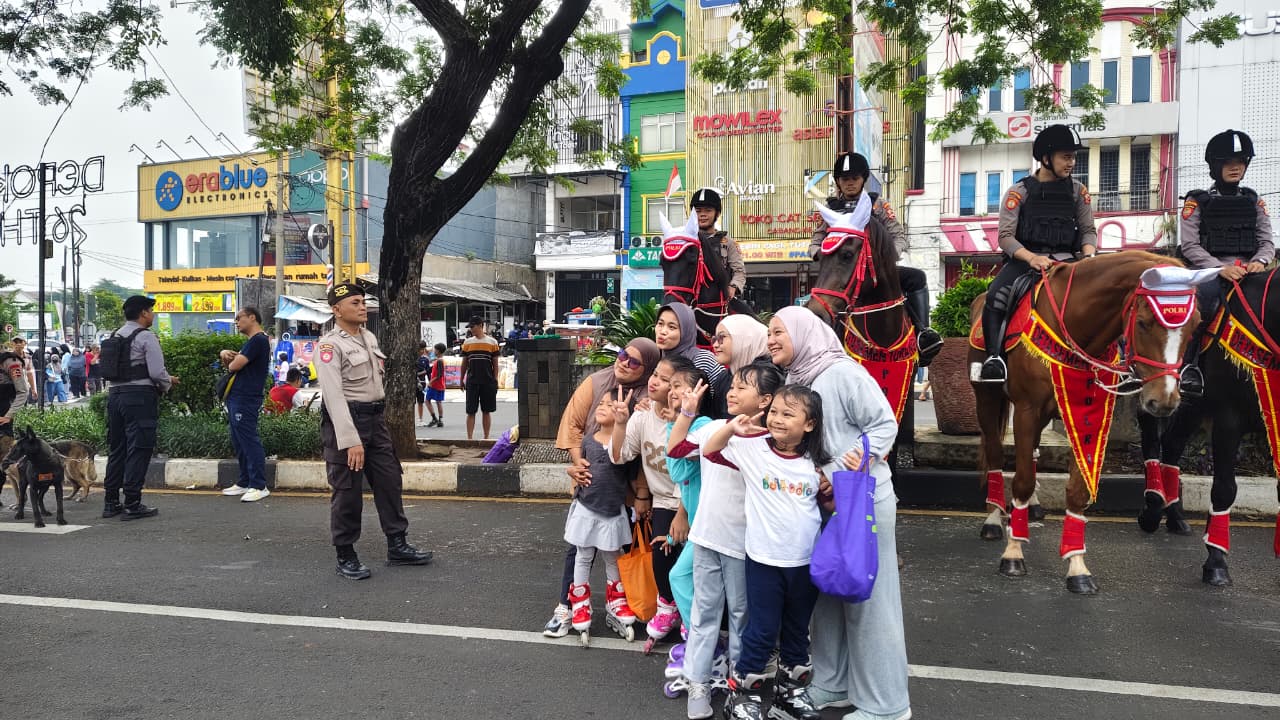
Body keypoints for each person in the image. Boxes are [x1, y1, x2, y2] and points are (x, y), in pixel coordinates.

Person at [768, 305, 909, 720]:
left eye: (778, 331)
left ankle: (887, 705)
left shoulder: (842, 373)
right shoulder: (797, 380)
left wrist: (843, 466)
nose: (771, 340)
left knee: (870, 604)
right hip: (823, 502)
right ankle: (832, 684)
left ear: (804, 333)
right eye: (769, 333)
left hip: (861, 500)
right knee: (828, 597)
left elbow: (884, 424)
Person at [703, 384, 833, 720]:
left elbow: (830, 506)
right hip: (764, 562)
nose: (776, 419)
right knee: (761, 630)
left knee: (797, 630)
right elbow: (710, 450)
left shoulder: (816, 463)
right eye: (773, 411)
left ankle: (789, 695)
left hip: (805, 563)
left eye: (788, 414)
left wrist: (831, 489)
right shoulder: (753, 449)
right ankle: (742, 696)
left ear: (810, 424)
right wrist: (732, 428)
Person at [667, 361, 781, 719]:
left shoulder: (771, 443)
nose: (732, 392)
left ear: (765, 400)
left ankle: (739, 684)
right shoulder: (714, 427)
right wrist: (687, 413)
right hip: (706, 538)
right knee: (704, 614)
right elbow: (675, 449)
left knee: (741, 616)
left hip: (743, 545)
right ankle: (698, 682)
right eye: (732, 386)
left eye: (742, 387)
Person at [544, 337, 660, 637]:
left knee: (618, 550)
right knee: (578, 549)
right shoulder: (596, 382)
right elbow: (572, 424)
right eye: (622, 355)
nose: (624, 363)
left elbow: (647, 449)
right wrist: (579, 462)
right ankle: (567, 605)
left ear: (647, 368)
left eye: (634, 361)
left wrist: (642, 493)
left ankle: (622, 601)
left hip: (626, 488)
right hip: (590, 484)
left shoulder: (649, 393)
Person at [316, 283, 433, 580]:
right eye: (354, 303)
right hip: (347, 422)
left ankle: (398, 545)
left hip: (375, 420)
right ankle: (345, 554)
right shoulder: (330, 346)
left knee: (390, 480)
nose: (362, 306)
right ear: (336, 309)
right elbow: (333, 396)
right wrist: (350, 440)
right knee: (347, 492)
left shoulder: (368, 337)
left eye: (362, 301)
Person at [977, 124, 1097, 383]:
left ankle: (1117, 359)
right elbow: (1005, 237)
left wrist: (1089, 259)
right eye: (1066, 157)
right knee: (996, 295)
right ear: (1046, 158)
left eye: (1074, 157)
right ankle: (994, 359)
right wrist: (1032, 258)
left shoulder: (1079, 192)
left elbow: (1088, 231)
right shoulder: (1018, 192)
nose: (1072, 162)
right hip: (1026, 262)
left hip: (1069, 261)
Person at [811, 152, 943, 366]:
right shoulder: (831, 210)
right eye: (845, 179)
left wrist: (887, 260)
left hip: (877, 270)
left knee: (916, 277)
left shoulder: (878, 205)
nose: (850, 183)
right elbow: (816, 242)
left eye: (854, 178)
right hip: (846, 272)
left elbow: (898, 236)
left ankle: (923, 333)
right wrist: (820, 254)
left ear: (863, 179)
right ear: (838, 182)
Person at [1178, 128, 1274, 399]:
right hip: (1211, 274)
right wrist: (1220, 268)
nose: (1235, 168)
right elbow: (1190, 246)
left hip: (1249, 272)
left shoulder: (1254, 201)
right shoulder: (1197, 201)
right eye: (1228, 162)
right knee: (1201, 307)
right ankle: (1190, 366)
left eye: (1240, 162)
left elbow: (1267, 242)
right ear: (1215, 165)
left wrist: (1260, 261)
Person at [609, 356, 683, 645]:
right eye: (655, 375)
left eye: (665, 380)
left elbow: (694, 474)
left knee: (687, 564)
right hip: (663, 500)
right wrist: (620, 423)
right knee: (660, 560)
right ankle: (668, 610)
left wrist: (684, 514)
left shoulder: (689, 419)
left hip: (691, 501)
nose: (654, 382)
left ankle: (691, 618)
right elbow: (619, 456)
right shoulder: (641, 417)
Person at [561, 389, 640, 642]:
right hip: (587, 507)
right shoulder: (588, 441)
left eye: (610, 404)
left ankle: (615, 600)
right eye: (602, 403)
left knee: (612, 556)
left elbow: (630, 475)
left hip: (613, 510)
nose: (603, 407)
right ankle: (580, 601)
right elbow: (580, 470)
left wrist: (641, 499)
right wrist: (573, 471)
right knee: (583, 555)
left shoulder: (626, 445)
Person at [103, 295, 178, 521]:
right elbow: (156, 372)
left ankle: (111, 503)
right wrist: (168, 383)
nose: (152, 315)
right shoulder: (146, 337)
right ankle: (132, 503)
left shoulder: (115, 335)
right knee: (139, 448)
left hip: (114, 396)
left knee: (117, 449)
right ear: (144, 313)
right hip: (139, 398)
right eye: (151, 311)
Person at [218, 307, 272, 502]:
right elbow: (234, 365)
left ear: (252, 317)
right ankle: (245, 481)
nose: (236, 322)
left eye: (239, 318)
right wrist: (226, 355)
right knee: (239, 440)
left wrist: (225, 355)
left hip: (246, 397)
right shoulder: (252, 342)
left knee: (248, 440)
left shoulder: (258, 340)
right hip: (238, 397)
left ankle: (259, 485)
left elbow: (234, 366)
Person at [656, 302, 730, 418]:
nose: (663, 331)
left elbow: (723, 397)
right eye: (660, 324)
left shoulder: (703, 360)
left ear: (686, 331)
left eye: (672, 327)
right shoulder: (660, 359)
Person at [689, 187, 746, 302]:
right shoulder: (686, 241)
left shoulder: (728, 243)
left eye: (708, 210)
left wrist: (733, 286)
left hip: (721, 299)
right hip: (690, 298)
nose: (702, 214)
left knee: (746, 312)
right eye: (698, 211)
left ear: (717, 213)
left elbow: (739, 271)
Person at [460, 316, 501, 440]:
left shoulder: (492, 342)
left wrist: (495, 379)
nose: (471, 329)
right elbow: (464, 363)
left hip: (488, 381)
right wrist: (461, 379)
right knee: (470, 411)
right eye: (470, 327)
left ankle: (486, 437)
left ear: (480, 326)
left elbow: (495, 363)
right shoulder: (467, 343)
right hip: (472, 381)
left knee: (486, 411)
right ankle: (469, 438)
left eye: (472, 327)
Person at [0, 341, 31, 437]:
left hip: (3, 412)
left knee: (5, 442)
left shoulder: (10, 362)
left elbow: (23, 391)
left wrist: (8, 415)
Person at [425, 342, 447, 427]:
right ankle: (440, 420)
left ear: (438, 351)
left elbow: (439, 375)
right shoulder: (439, 360)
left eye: (435, 349)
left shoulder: (439, 361)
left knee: (427, 401)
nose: (434, 351)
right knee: (438, 402)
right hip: (440, 385)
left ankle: (434, 418)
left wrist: (430, 382)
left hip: (435, 385)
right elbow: (430, 370)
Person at [11, 337, 36, 403]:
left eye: (20, 342)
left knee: (23, 406)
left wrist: (33, 389)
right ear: (12, 344)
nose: (18, 344)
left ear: (25, 344)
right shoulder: (8, 356)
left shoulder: (28, 357)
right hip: (11, 387)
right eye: (16, 342)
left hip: (24, 387)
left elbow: (29, 373)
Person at [415, 341, 431, 425]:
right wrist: (422, 373)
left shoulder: (425, 359)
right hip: (413, 383)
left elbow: (428, 372)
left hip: (422, 383)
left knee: (420, 402)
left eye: (423, 349)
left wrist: (430, 382)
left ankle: (420, 420)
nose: (421, 351)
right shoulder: (412, 359)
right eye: (420, 349)